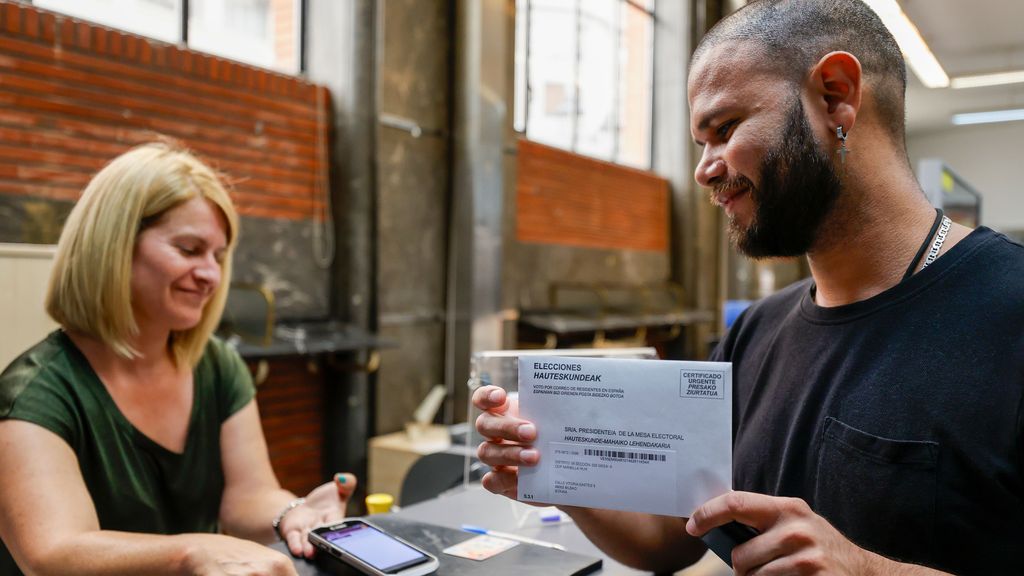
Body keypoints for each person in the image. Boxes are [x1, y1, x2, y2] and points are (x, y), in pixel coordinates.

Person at [474, 0, 1024, 574]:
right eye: (699, 144)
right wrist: (559, 467)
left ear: (836, 95)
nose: (703, 169)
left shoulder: (1011, 315)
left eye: (725, 129)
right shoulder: (756, 334)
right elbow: (674, 537)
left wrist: (867, 569)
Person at [0, 142, 357, 576]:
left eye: (219, 257)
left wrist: (292, 511)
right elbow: (53, 554)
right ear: (113, 247)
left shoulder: (217, 365)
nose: (211, 275)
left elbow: (246, 495)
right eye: (189, 249)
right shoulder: (34, 395)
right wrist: (191, 552)